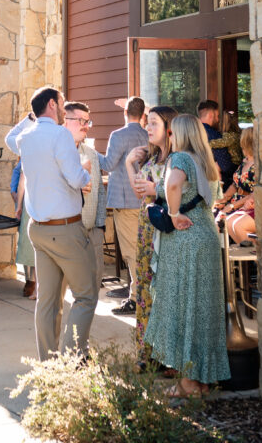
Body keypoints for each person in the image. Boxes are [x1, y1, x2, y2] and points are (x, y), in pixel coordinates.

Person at [5, 85, 96, 362]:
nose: (65, 106)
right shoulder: (59, 135)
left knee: (47, 301)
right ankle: (72, 361)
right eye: (63, 102)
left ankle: (49, 364)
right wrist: (86, 174)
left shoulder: (26, 138)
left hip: (38, 229)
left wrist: (31, 117)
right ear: (53, 105)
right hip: (65, 229)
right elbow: (75, 178)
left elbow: (10, 138)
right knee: (86, 295)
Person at [144, 113, 230, 396]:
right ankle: (202, 380)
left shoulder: (180, 159)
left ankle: (189, 383)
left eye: (171, 134)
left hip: (186, 238)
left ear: (178, 135)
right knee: (204, 309)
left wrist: (172, 213)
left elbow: (172, 184)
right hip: (207, 236)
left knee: (184, 305)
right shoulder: (208, 162)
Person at [124, 105, 177, 367]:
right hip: (146, 230)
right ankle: (148, 356)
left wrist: (156, 190)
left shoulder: (178, 160)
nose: (148, 128)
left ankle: (169, 357)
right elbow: (138, 191)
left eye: (154, 123)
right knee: (145, 290)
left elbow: (187, 195)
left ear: (169, 128)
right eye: (148, 123)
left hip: (167, 232)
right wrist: (129, 163)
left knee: (165, 291)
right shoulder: (151, 159)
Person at [98, 97, 148, 315]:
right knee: (143, 251)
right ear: (143, 114)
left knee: (131, 253)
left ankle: (137, 299)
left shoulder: (118, 135)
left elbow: (108, 164)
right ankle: (140, 295)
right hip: (146, 200)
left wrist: (91, 154)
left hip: (125, 201)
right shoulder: (148, 134)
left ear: (125, 113)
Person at [64, 102, 107, 290]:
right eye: (80, 120)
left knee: (93, 287)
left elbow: (99, 191)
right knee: (62, 292)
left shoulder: (92, 155)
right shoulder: (56, 154)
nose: (85, 125)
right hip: (64, 234)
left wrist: (100, 228)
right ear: (64, 121)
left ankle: (79, 321)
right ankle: (71, 321)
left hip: (91, 232)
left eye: (88, 121)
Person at [214, 127, 255, 244]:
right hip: (235, 201)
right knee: (214, 218)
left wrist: (232, 206)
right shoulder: (245, 161)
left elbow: (254, 193)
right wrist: (224, 197)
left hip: (245, 204)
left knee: (223, 222)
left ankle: (247, 259)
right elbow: (235, 185)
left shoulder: (258, 164)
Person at [197, 100, 233, 187]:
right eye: (217, 116)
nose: (218, 120)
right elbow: (225, 165)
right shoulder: (214, 135)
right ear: (210, 115)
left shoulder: (191, 133)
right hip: (214, 184)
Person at [14, 169, 36, 298]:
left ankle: (36, 282)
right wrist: (19, 205)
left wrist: (19, 206)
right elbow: (22, 180)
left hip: (43, 200)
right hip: (31, 201)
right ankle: (30, 281)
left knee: (32, 243)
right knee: (27, 243)